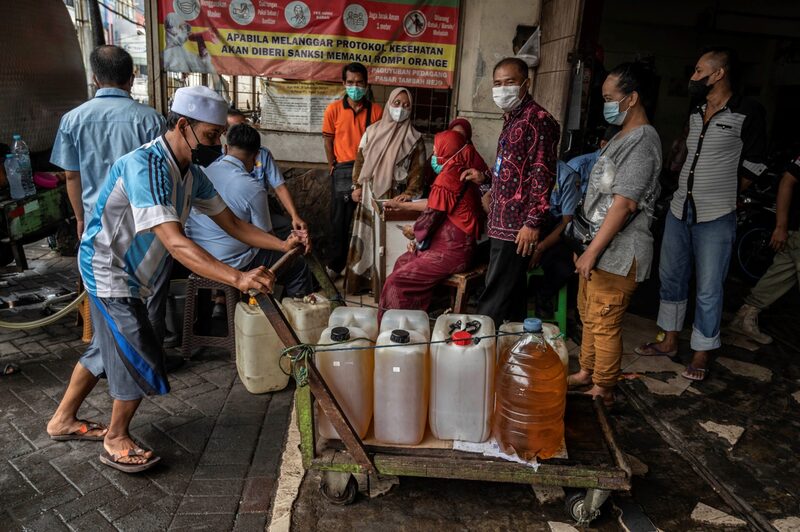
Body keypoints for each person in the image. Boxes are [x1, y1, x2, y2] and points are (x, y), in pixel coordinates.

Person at [46, 86, 300, 473]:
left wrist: (283, 244)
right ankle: (116, 437)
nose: (216, 145)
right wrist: (238, 277)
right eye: (212, 136)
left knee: (107, 347)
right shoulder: (147, 167)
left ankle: (62, 419)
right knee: (139, 347)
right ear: (183, 125)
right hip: (107, 269)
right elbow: (176, 244)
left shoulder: (191, 174)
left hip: (135, 272)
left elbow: (232, 224)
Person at [635, 47, 767, 382]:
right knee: (672, 277)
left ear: (719, 73)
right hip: (681, 208)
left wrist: (726, 193)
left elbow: (755, 163)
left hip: (717, 214)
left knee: (709, 286)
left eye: (698, 71)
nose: (693, 78)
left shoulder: (747, 111)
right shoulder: (695, 111)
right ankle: (669, 341)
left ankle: (701, 352)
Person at [567, 63, 662, 406]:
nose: (605, 104)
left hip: (619, 251)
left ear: (632, 98)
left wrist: (592, 251)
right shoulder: (622, 136)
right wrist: (585, 246)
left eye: (610, 98)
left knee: (605, 320)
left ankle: (603, 388)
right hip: (597, 245)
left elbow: (623, 204)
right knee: (589, 314)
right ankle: (586, 372)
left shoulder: (642, 141)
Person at [462, 57, 560, 324]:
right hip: (501, 222)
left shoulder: (538, 120)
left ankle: (475, 349)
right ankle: (510, 351)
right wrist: (485, 178)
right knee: (512, 295)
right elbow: (512, 170)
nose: (502, 89)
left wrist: (532, 223)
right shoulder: (512, 119)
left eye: (510, 82)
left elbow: (542, 174)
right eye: (497, 83)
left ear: (525, 84)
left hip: (517, 227)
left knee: (493, 295)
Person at [186, 123, 313, 296]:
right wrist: (285, 246)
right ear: (256, 156)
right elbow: (263, 236)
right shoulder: (252, 188)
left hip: (196, 256)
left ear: (225, 148)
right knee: (297, 267)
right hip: (233, 262)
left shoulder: (200, 173)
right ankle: (295, 314)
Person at [51, 45, 165, 238]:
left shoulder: (71, 120)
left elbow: (71, 176)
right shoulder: (152, 120)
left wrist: (80, 218)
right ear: (132, 78)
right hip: (142, 220)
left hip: (95, 220)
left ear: (95, 79)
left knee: (98, 267)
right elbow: (161, 173)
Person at [378, 130, 483, 318]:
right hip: (454, 247)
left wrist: (415, 232)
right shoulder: (461, 170)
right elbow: (439, 210)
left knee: (397, 281)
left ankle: (399, 329)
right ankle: (419, 316)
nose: (433, 155)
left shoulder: (448, 178)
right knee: (402, 261)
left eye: (436, 151)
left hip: (451, 252)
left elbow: (432, 215)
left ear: (446, 151)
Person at [345, 87, 426, 295]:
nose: (401, 109)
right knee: (367, 237)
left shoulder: (415, 138)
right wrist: (357, 185)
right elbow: (360, 159)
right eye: (397, 104)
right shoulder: (372, 131)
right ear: (389, 104)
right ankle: (362, 283)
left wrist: (409, 194)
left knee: (389, 244)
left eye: (406, 105)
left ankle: (385, 286)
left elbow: (418, 170)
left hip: (396, 198)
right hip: (369, 196)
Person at [729, 153, 800, 344]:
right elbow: (787, 181)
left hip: (794, 233)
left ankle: (745, 316)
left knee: (778, 275)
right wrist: (781, 226)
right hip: (796, 230)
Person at [322, 63, 383, 279]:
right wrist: (332, 164)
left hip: (368, 171)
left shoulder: (376, 111)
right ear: (343, 84)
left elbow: (379, 145)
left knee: (366, 219)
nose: (354, 87)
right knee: (339, 220)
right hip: (342, 169)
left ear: (366, 84)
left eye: (359, 82)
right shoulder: (333, 110)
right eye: (350, 83)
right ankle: (335, 266)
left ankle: (362, 269)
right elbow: (328, 140)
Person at [227, 108, 307, 239]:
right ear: (226, 133)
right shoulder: (221, 158)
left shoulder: (262, 154)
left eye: (244, 125)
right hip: (236, 213)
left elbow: (279, 187)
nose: (242, 132)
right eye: (235, 128)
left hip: (261, 209)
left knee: (286, 228)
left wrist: (294, 215)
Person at [528, 160, 582, 316]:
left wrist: (540, 247)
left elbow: (567, 222)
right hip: (526, 229)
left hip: (555, 231)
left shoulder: (568, 176)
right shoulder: (523, 166)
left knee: (565, 264)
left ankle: (543, 297)